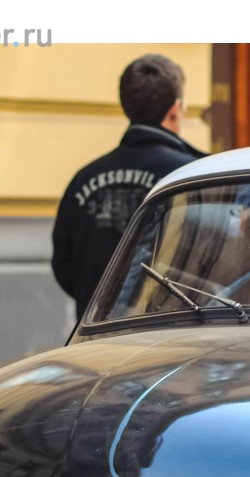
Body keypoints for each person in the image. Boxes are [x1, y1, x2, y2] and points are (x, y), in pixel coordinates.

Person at [52, 53, 206, 321]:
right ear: (175, 108)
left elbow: (64, 265)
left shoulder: (85, 179)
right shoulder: (192, 175)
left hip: (96, 334)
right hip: (171, 334)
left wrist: (99, 301)